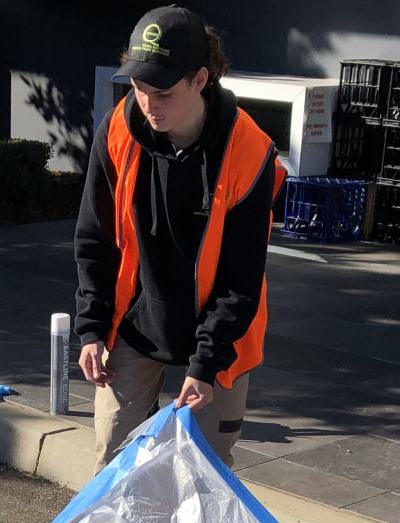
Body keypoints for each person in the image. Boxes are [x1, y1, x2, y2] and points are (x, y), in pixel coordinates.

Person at [74, 6, 282, 470]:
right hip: (137, 318)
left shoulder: (249, 151)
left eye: (163, 92)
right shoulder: (117, 130)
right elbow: (95, 238)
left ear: (200, 79)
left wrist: (205, 365)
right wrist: (91, 328)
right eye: (139, 87)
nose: (149, 104)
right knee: (114, 461)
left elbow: (240, 280)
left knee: (205, 472)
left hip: (217, 334)